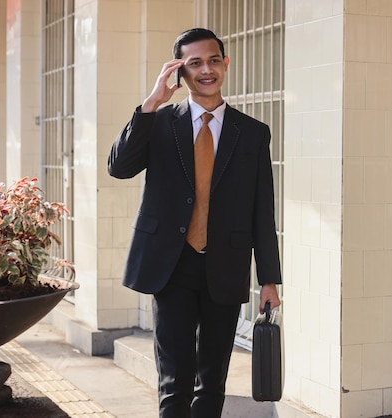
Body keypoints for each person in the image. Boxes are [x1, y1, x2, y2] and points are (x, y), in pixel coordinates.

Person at [108, 28, 282, 418]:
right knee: (174, 380)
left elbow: (262, 210)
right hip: (171, 266)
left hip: (226, 265)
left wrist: (268, 279)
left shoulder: (253, 133)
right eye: (195, 63)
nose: (207, 70)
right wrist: (152, 101)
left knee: (212, 381)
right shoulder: (160, 121)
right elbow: (119, 167)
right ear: (179, 73)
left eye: (213, 60)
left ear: (226, 64)